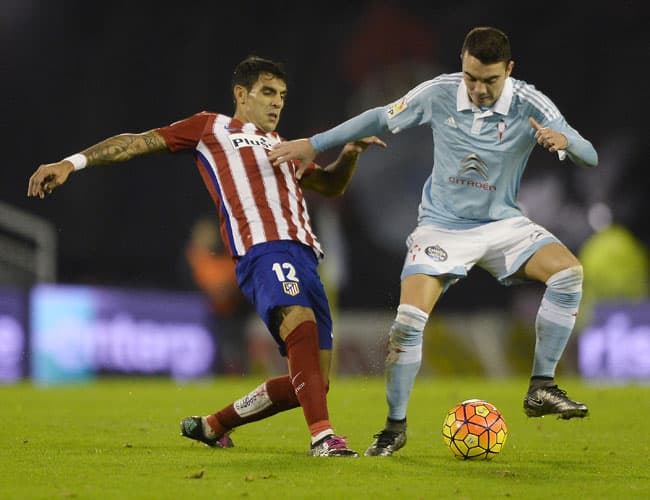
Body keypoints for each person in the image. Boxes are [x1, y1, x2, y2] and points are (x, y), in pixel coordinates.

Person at [27, 55, 385, 457]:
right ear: (241, 94)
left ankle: (214, 426)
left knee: (314, 382)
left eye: (282, 95)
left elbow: (331, 186)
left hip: (305, 255)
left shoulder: (285, 146)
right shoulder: (211, 128)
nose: (277, 102)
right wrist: (71, 163)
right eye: (268, 92)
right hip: (261, 249)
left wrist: (351, 153)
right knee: (298, 325)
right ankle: (323, 438)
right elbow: (135, 142)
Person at [269, 27, 598, 456]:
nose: (479, 89)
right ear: (463, 66)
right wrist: (314, 145)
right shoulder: (441, 92)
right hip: (441, 227)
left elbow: (588, 154)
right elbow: (380, 116)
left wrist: (566, 142)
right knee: (407, 324)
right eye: (471, 77)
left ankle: (541, 386)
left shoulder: (529, 103)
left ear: (509, 71)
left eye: (490, 80)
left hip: (503, 225)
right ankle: (394, 428)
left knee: (569, 274)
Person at [184, 215, 251, 375]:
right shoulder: (191, 258)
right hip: (203, 316)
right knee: (214, 349)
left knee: (234, 348)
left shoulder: (227, 255)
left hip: (233, 314)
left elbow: (241, 284)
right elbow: (186, 287)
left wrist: (229, 292)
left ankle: (238, 372)